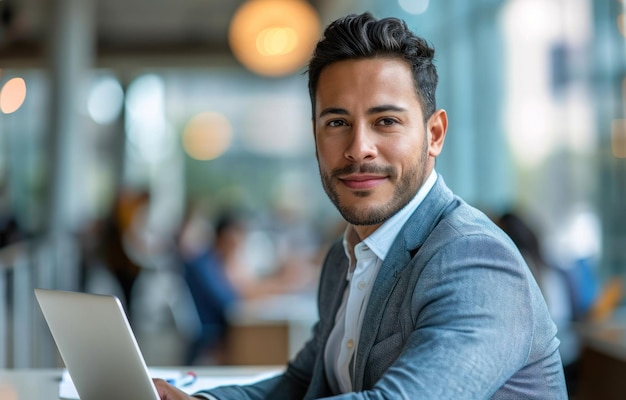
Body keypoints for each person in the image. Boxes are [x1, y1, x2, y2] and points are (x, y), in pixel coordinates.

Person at [155, 12, 568, 399]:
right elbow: (305, 382)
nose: (358, 149)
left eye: (385, 121)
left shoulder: (474, 258)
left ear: (435, 134)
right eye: (336, 123)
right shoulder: (346, 258)